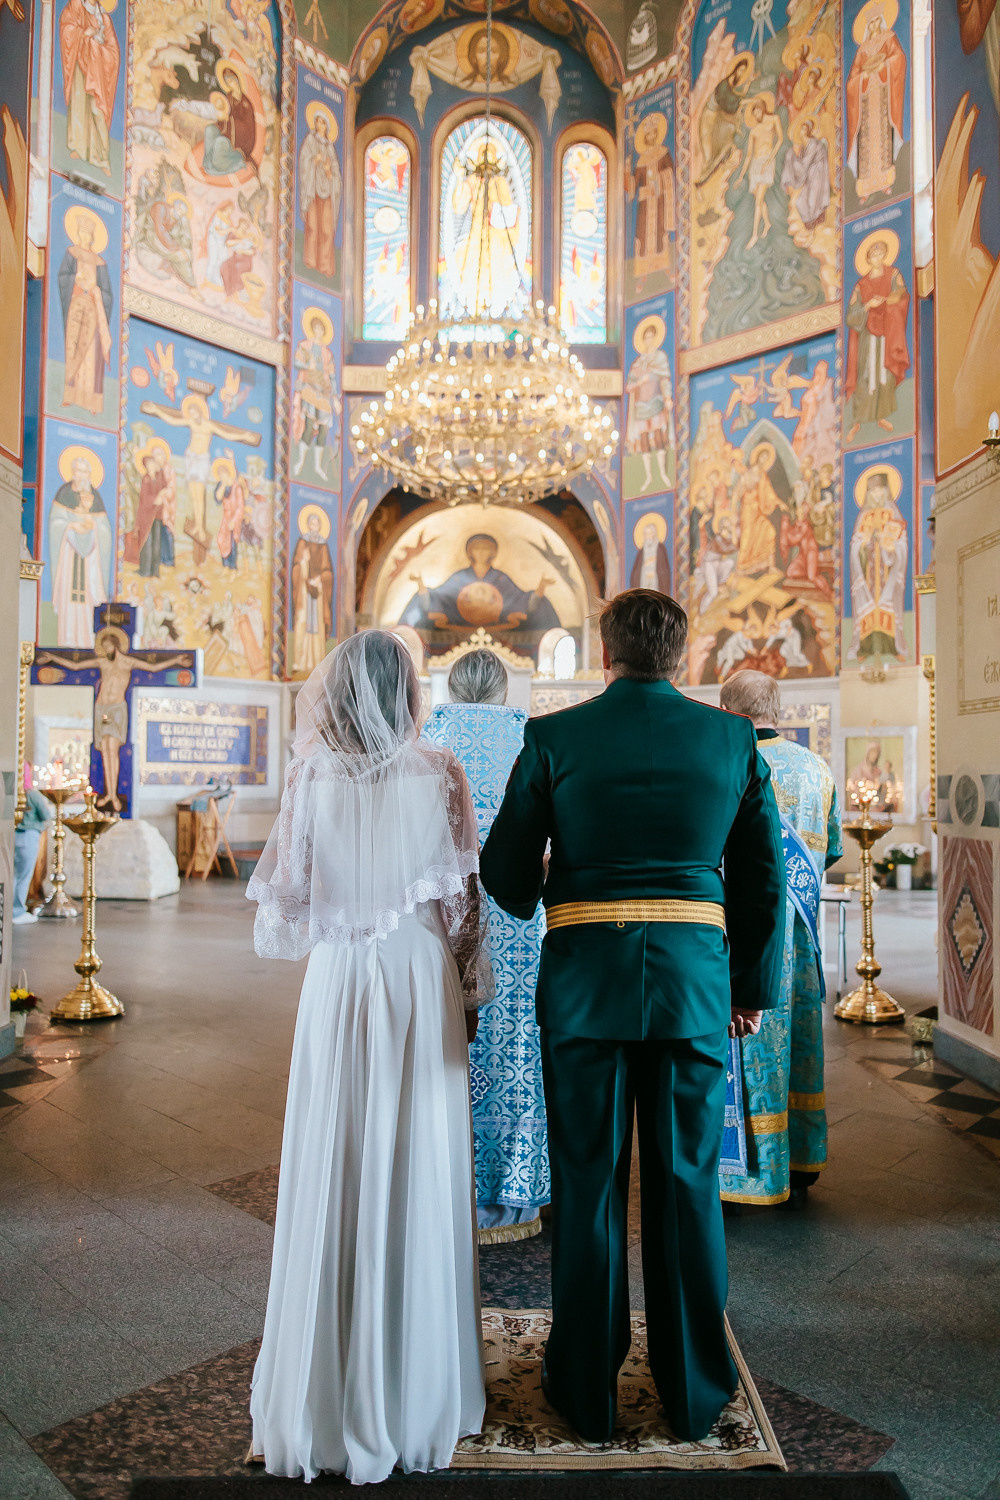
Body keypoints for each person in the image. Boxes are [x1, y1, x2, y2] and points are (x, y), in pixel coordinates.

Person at [480, 590, 785, 1444]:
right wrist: (750, 989)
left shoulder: (554, 736)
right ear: (682, 658)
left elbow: (504, 869)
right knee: (687, 1183)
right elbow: (760, 875)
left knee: (588, 1184)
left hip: (583, 985)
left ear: (604, 653)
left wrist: (555, 887)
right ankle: (692, 1392)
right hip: (695, 987)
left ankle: (584, 1388)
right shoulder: (730, 737)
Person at [247, 631, 489, 1484]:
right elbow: (464, 909)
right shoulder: (442, 774)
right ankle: (419, 1387)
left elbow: (291, 897)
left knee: (335, 1158)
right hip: (418, 983)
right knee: (416, 1158)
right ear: (407, 690)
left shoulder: (311, 775)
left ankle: (322, 1390)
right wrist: (466, 985)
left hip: (341, 980)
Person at [423, 649, 550, 1243]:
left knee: (446, 1049)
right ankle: (515, 1192)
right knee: (520, 1051)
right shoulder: (536, 739)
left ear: (450, 686)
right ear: (504, 689)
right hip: (525, 924)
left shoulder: (423, 742)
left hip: (442, 925)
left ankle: (438, 1188)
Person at [718, 670, 842, 1209]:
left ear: (728, 711)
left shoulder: (731, 763)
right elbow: (831, 848)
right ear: (775, 708)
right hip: (802, 939)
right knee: (800, 1042)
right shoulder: (818, 769)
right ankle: (802, 1157)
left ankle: (752, 1173)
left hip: (743, 934)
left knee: (749, 1049)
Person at [13, 774, 50, 926]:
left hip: (14, 835)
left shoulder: (14, 793)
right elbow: (45, 815)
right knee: (23, 876)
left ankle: (9, 909)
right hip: (28, 836)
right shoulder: (31, 794)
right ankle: (17, 911)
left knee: (14, 876)